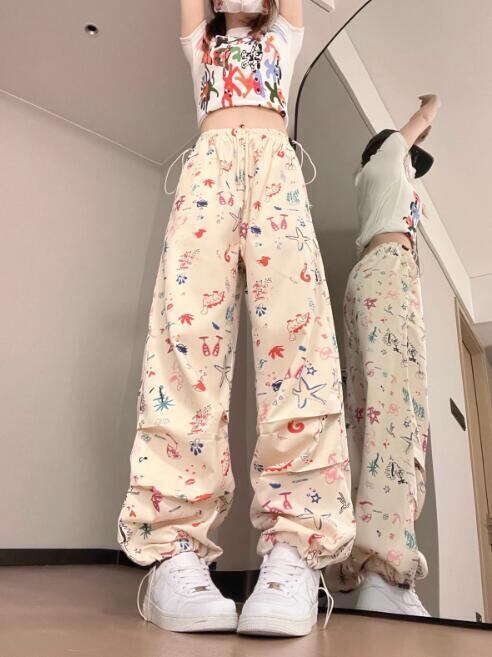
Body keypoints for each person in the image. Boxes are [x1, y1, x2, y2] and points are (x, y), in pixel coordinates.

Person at [117, 0, 355, 637]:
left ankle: (295, 547)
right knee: (185, 339)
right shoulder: (201, 40)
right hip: (209, 168)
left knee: (299, 342)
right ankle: (174, 549)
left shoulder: (284, 34)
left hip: (277, 167)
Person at [336, 94, 441, 616]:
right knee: (397, 416)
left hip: (373, 279)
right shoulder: (382, 163)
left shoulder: (382, 187)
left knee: (370, 417)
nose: (412, 170)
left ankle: (370, 569)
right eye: (409, 159)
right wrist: (428, 106)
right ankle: (384, 571)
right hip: (388, 277)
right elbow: (425, 117)